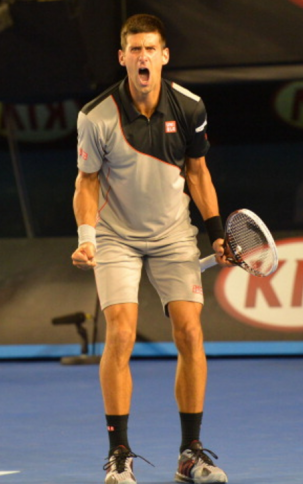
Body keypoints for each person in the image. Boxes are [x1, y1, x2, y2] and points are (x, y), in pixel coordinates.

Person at [71, 13, 231, 484]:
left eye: (150, 49)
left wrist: (217, 232)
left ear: (164, 56)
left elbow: (199, 174)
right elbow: (87, 181)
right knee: (120, 333)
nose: (143, 57)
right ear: (123, 59)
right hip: (115, 236)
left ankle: (190, 453)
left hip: (173, 236)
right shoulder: (96, 117)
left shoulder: (189, 107)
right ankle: (118, 454)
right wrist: (86, 237)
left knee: (190, 333)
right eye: (134, 50)